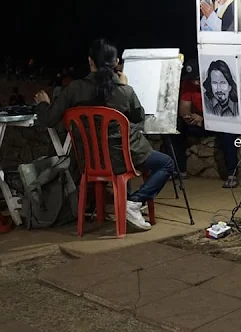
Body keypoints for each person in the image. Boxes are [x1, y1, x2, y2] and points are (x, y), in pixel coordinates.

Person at [33, 38, 174, 231]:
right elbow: (138, 116)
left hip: (89, 160)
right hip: (125, 157)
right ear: (116, 63)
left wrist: (43, 103)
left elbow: (49, 119)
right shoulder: (124, 91)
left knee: (133, 158)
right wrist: (124, 86)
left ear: (91, 62)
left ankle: (128, 203)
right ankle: (133, 202)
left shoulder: (74, 89)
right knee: (166, 163)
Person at [171, 58, 239, 188]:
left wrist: (204, 119)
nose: (195, 82)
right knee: (176, 128)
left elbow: (224, 112)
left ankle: (232, 174)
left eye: (197, 78)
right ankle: (180, 170)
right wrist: (190, 118)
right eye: (192, 79)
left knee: (227, 132)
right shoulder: (188, 84)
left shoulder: (215, 84)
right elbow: (184, 109)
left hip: (217, 122)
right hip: (199, 123)